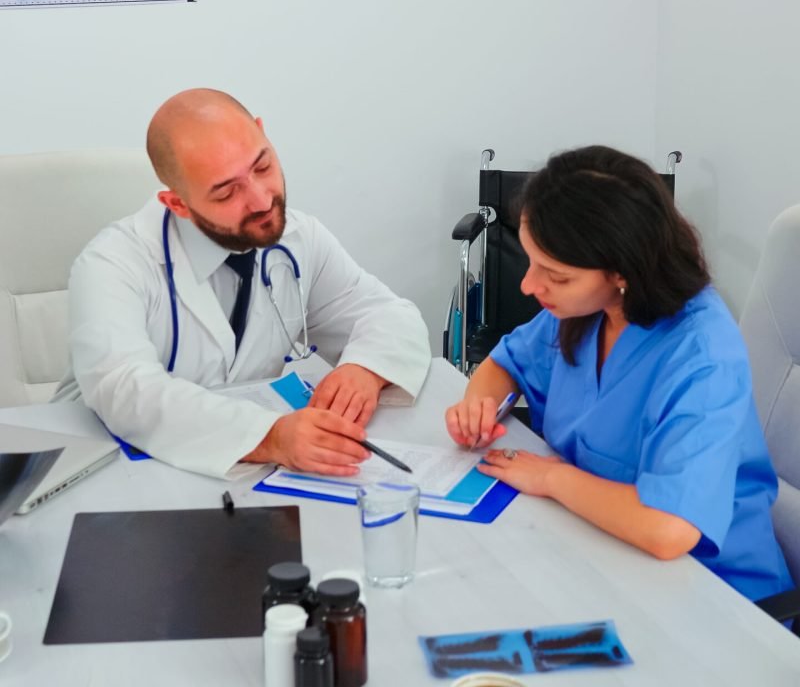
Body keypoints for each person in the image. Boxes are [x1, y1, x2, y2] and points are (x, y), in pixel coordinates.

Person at [445, 145, 793, 602]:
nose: (529, 286)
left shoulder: (701, 355)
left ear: (622, 271)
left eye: (556, 274)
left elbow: (669, 529)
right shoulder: (585, 309)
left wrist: (551, 478)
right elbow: (503, 363)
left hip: (713, 594)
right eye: (531, 262)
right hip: (599, 551)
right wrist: (478, 404)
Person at [54, 88, 430, 479]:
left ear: (263, 133)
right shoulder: (112, 264)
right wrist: (269, 437)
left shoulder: (301, 240)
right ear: (177, 204)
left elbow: (388, 314)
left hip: (240, 482)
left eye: (262, 166)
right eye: (227, 191)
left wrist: (364, 370)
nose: (261, 200)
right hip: (102, 471)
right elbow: (126, 390)